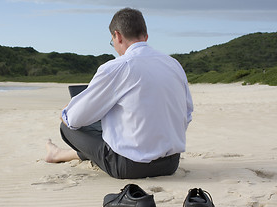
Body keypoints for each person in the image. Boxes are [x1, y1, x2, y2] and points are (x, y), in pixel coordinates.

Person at [45, 7, 193, 179]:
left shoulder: (117, 67)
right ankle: (59, 154)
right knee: (112, 125)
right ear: (145, 36)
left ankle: (57, 153)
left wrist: (67, 111)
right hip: (170, 163)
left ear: (118, 35)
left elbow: (75, 119)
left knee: (67, 126)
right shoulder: (174, 64)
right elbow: (187, 113)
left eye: (112, 41)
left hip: (129, 167)